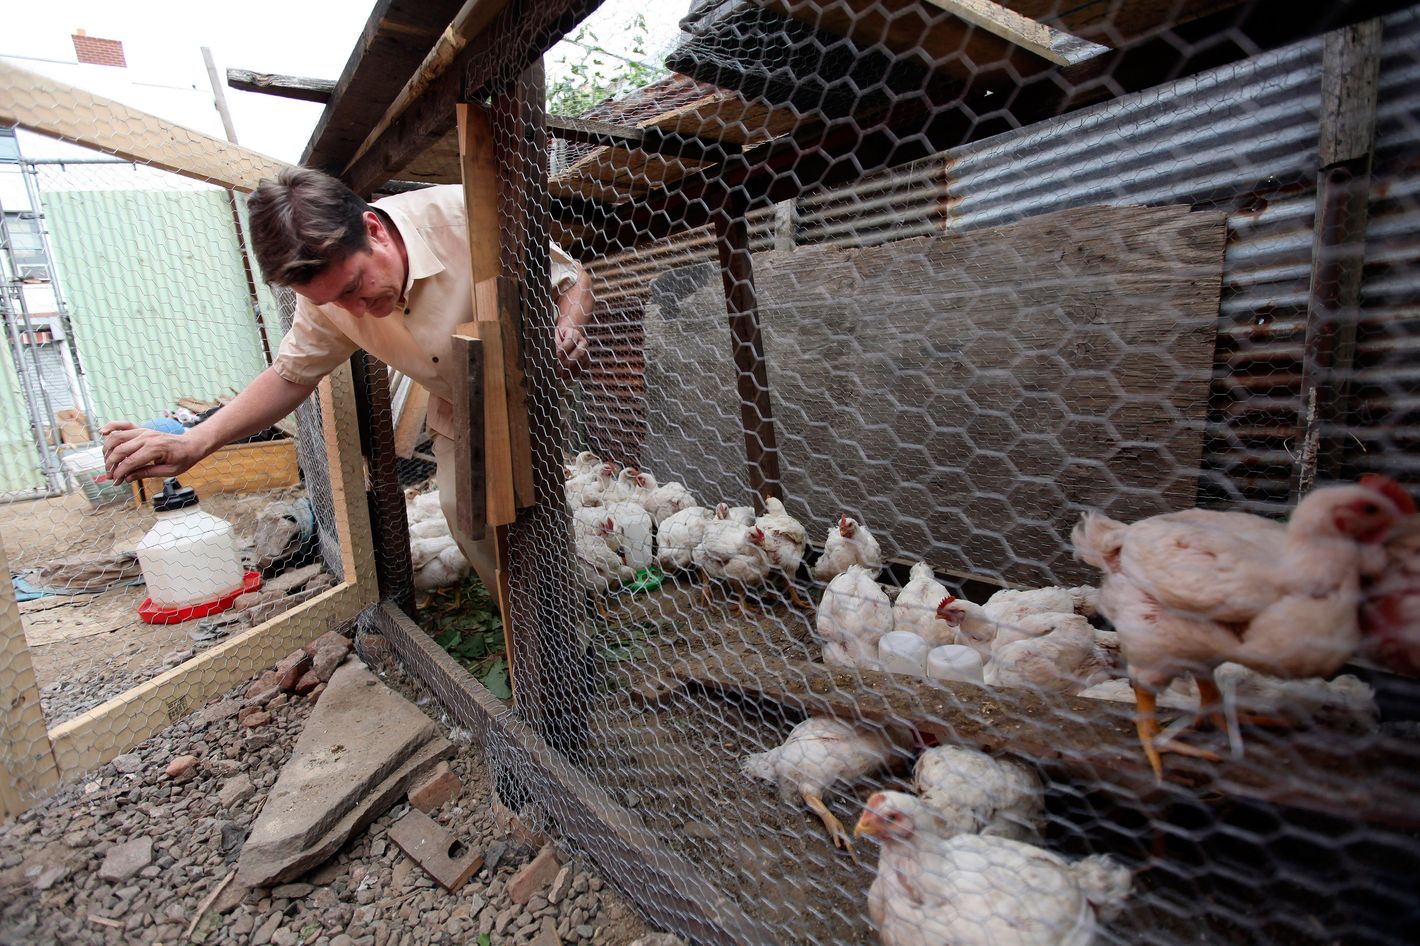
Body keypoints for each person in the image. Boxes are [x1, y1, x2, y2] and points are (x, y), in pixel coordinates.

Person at [101, 167, 594, 591]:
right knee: (468, 516)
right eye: (333, 301)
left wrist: (568, 325)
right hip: (458, 403)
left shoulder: (466, 216)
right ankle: (532, 635)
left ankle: (569, 613)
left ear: (374, 230)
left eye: (355, 286)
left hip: (529, 384)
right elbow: (290, 376)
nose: (355, 310)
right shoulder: (330, 304)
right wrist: (195, 443)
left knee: (538, 508)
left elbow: (571, 280)